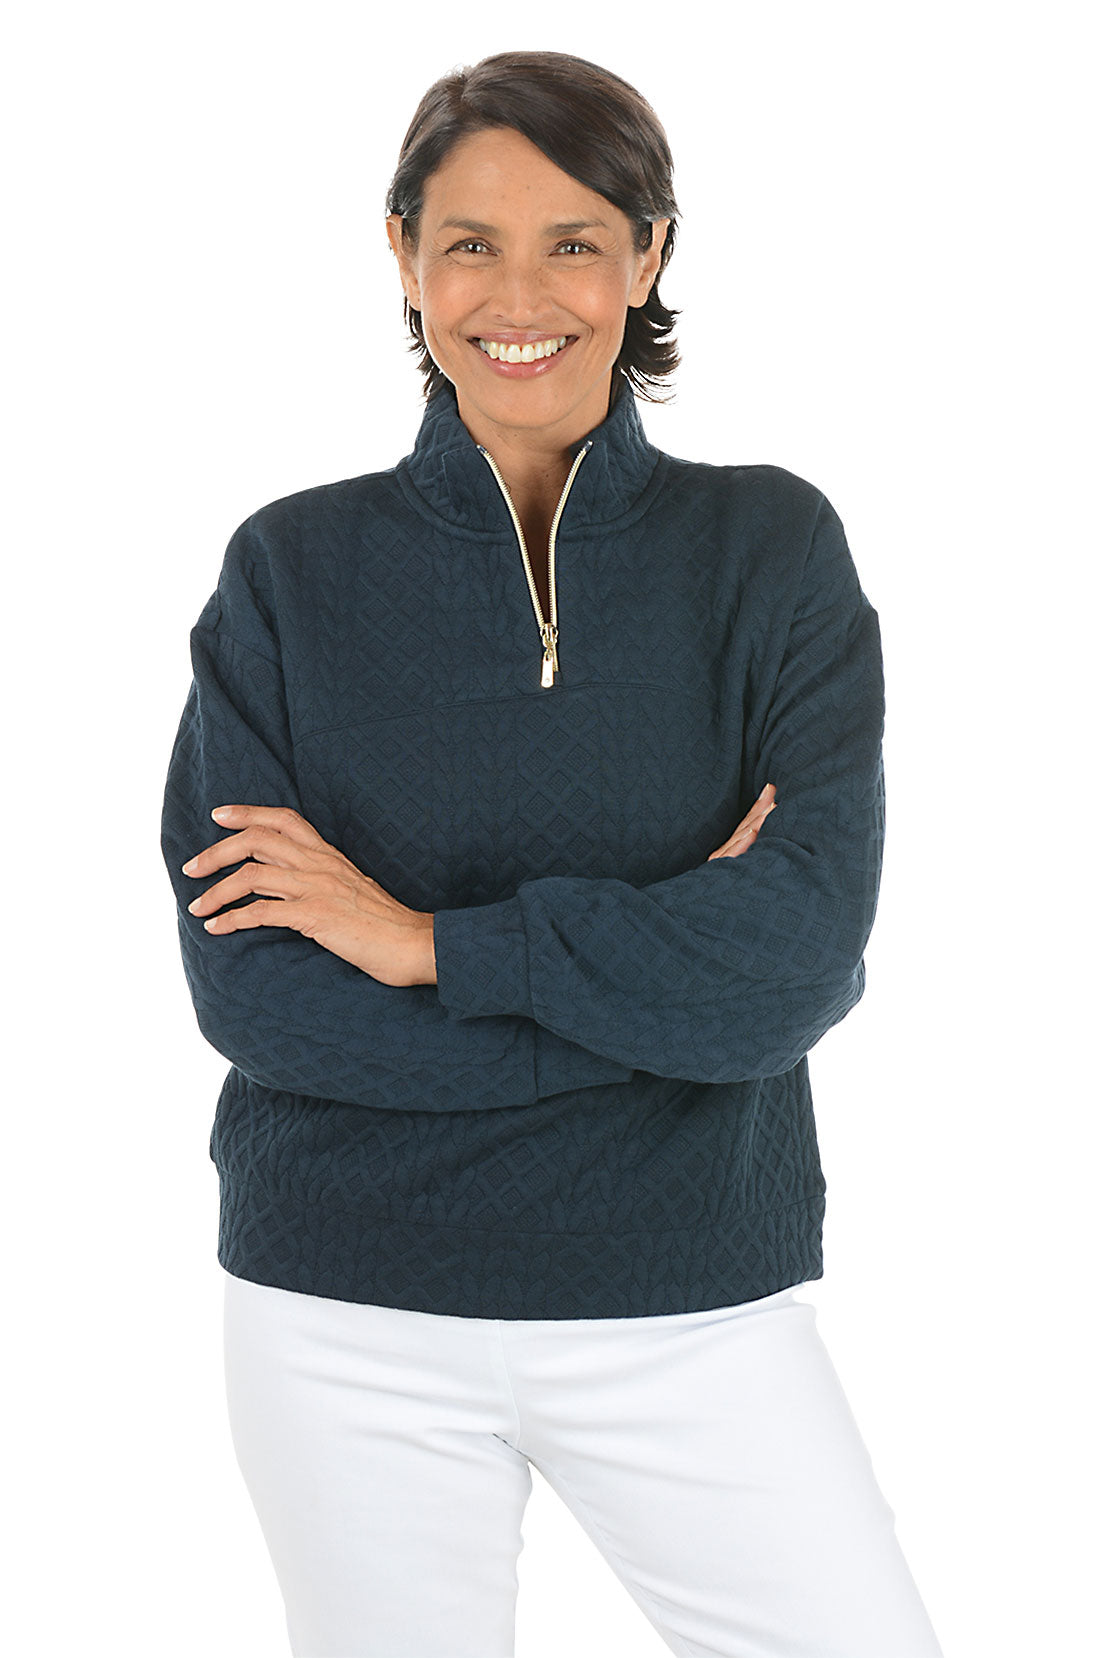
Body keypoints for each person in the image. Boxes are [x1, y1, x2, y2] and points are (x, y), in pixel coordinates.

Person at [160, 48, 945, 1658]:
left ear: (646, 254)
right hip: (344, 1313)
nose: (520, 295)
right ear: (402, 255)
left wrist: (428, 943)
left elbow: (794, 959)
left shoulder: (769, 549)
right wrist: (662, 997)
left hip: (688, 1301)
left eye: (575, 241)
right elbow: (261, 1002)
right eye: (468, 243)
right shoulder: (290, 572)